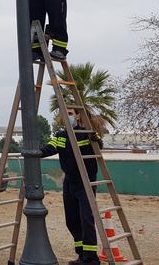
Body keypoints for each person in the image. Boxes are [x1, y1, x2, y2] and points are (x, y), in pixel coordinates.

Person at [41, 108, 103, 265]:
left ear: (78, 116)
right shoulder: (60, 135)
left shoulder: (86, 133)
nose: (67, 116)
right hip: (69, 182)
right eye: (66, 114)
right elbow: (48, 149)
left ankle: (91, 259)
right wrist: (31, 152)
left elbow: (98, 145)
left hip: (86, 181)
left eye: (70, 113)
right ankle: (82, 255)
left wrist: (95, 138)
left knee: (86, 220)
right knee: (72, 220)